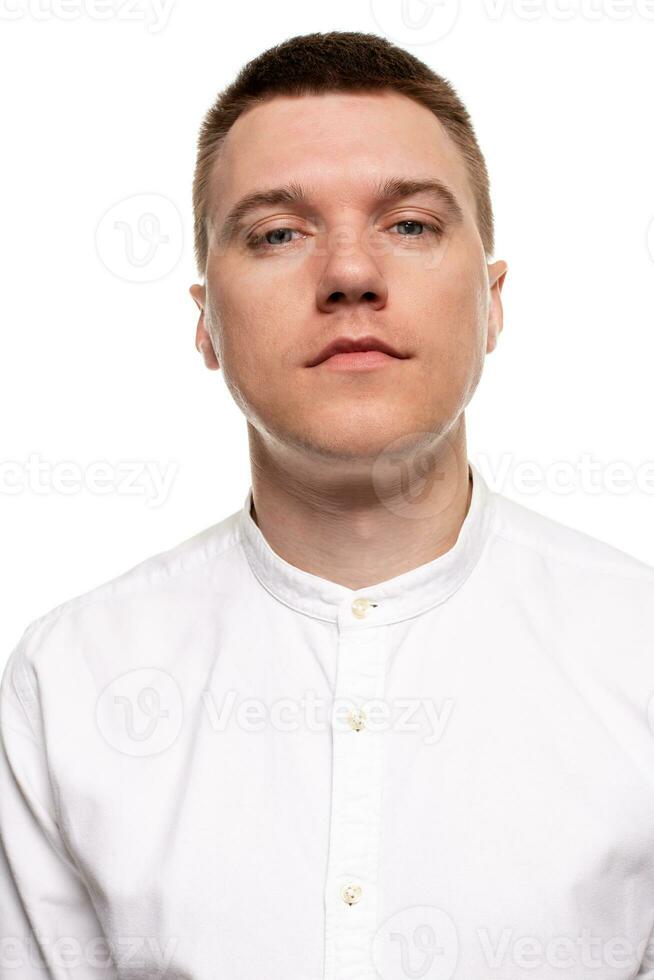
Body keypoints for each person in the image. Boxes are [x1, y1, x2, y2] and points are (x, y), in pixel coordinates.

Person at [1, 29, 653, 980]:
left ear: (493, 301)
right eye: (277, 232)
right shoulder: (66, 686)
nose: (350, 275)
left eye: (412, 224)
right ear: (205, 322)